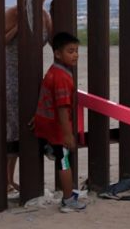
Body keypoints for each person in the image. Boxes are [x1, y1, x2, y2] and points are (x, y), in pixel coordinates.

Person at [4, 0, 53, 193]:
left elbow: (53, 43)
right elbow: (0, 40)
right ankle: (6, 179)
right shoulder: (12, 12)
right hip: (11, 75)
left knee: (31, 124)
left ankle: (30, 178)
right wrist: (20, 24)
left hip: (33, 75)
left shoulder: (45, 16)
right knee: (13, 126)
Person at [33, 32, 86, 213]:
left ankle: (51, 150)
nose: (75, 55)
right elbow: (63, 108)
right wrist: (67, 134)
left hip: (44, 123)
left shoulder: (53, 71)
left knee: (61, 157)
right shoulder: (63, 77)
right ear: (57, 53)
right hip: (57, 128)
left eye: (77, 51)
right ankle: (68, 200)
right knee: (64, 162)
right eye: (70, 51)